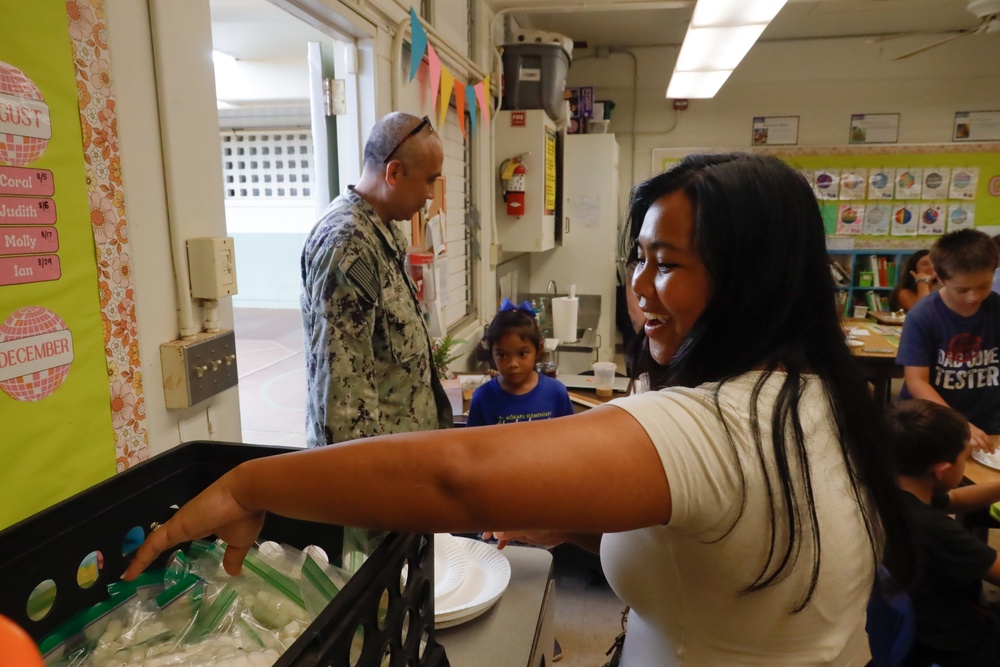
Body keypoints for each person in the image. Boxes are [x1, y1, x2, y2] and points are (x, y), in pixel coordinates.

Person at [125, 153, 913, 665]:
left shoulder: (718, 422)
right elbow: (735, 549)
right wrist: (577, 526)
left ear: (755, 277)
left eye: (666, 263)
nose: (639, 286)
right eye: (638, 258)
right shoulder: (818, 393)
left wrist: (249, 485)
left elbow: (458, 477)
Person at [300, 112, 452, 447]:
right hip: (378, 474)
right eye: (429, 180)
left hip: (405, 459)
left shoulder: (379, 233)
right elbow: (343, 398)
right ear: (394, 172)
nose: (430, 195)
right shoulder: (348, 244)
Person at [886, 399, 1000, 666]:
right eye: (963, 457)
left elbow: (956, 500)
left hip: (919, 631)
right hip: (955, 648)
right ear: (942, 470)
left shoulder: (896, 496)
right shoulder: (934, 530)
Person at [895, 229, 1000, 453]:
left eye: (983, 286)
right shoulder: (923, 315)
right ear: (941, 278)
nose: (974, 297)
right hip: (931, 421)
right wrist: (960, 424)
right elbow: (917, 382)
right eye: (962, 289)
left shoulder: (996, 308)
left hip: (988, 421)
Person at [466, 299, 574, 427]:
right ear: (492, 354)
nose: (513, 363)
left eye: (522, 354)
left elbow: (569, 438)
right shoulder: (482, 398)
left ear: (538, 350)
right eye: (502, 355)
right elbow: (474, 445)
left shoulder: (556, 392)